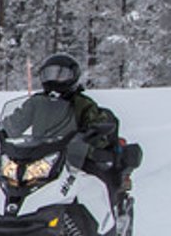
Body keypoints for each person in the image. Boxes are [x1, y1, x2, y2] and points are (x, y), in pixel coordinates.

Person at [35, 52, 131, 196]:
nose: (54, 79)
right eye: (50, 74)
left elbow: (97, 123)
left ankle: (106, 207)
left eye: (61, 74)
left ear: (72, 77)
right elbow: (18, 119)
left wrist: (90, 134)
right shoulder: (37, 103)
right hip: (42, 152)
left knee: (96, 179)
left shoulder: (83, 103)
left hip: (76, 154)